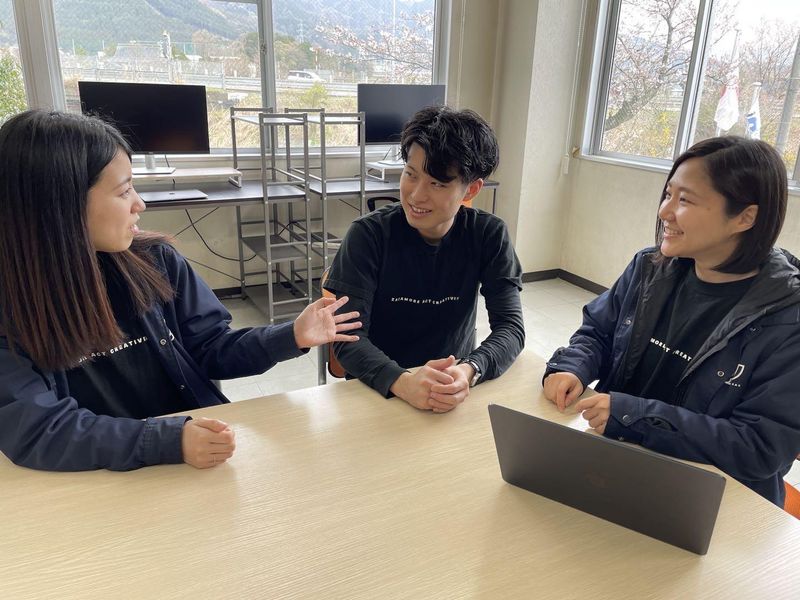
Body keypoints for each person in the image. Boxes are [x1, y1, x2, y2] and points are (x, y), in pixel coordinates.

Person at [0, 109, 361, 472]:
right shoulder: (12, 304)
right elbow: (38, 429)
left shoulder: (156, 261)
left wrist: (291, 335)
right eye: (124, 191)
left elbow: (211, 349)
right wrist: (166, 440)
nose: (139, 204)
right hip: (100, 478)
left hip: (196, 457)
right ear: (61, 206)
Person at [543, 136, 800, 507]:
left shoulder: (787, 317)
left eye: (685, 200)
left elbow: (759, 446)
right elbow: (599, 333)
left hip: (711, 499)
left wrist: (635, 415)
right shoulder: (648, 268)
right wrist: (572, 367)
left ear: (745, 217)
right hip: (617, 466)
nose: (665, 211)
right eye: (668, 194)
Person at [324, 106, 525, 412]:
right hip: (377, 391)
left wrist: (470, 369)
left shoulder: (488, 235)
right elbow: (346, 338)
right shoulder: (368, 236)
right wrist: (403, 382)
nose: (417, 195)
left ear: (471, 189)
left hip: (448, 390)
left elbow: (511, 327)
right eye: (411, 174)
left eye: (438, 183)